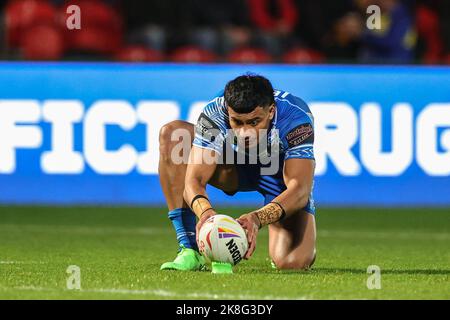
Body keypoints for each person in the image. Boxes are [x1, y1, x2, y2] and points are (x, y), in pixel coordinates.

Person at [159, 74, 316, 271]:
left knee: (292, 262)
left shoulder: (295, 118)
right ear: (228, 111)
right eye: (237, 122)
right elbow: (194, 180)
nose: (245, 133)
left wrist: (257, 218)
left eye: (254, 122)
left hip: (279, 176)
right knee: (174, 135)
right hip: (233, 167)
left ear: (271, 111)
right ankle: (189, 249)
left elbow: (300, 189)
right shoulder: (216, 111)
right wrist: (205, 212)